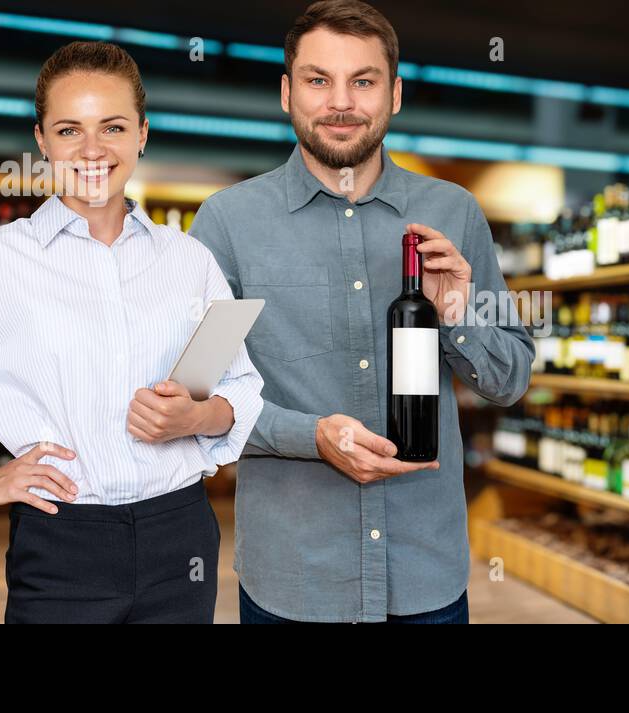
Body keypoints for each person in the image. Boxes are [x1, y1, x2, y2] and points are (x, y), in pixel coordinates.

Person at [0, 41, 263, 624]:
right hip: (63, 541)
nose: (92, 150)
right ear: (41, 141)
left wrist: (198, 418)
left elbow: (239, 385)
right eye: (68, 130)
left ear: (142, 134)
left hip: (181, 534)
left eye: (112, 127)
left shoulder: (189, 260)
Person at [191, 0, 534, 624]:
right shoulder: (229, 224)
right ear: (287, 92)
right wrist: (311, 437)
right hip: (292, 581)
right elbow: (199, 396)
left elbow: (509, 381)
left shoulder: (454, 213)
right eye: (319, 80)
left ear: (395, 94)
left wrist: (455, 312)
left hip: (426, 575)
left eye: (364, 81)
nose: (340, 102)